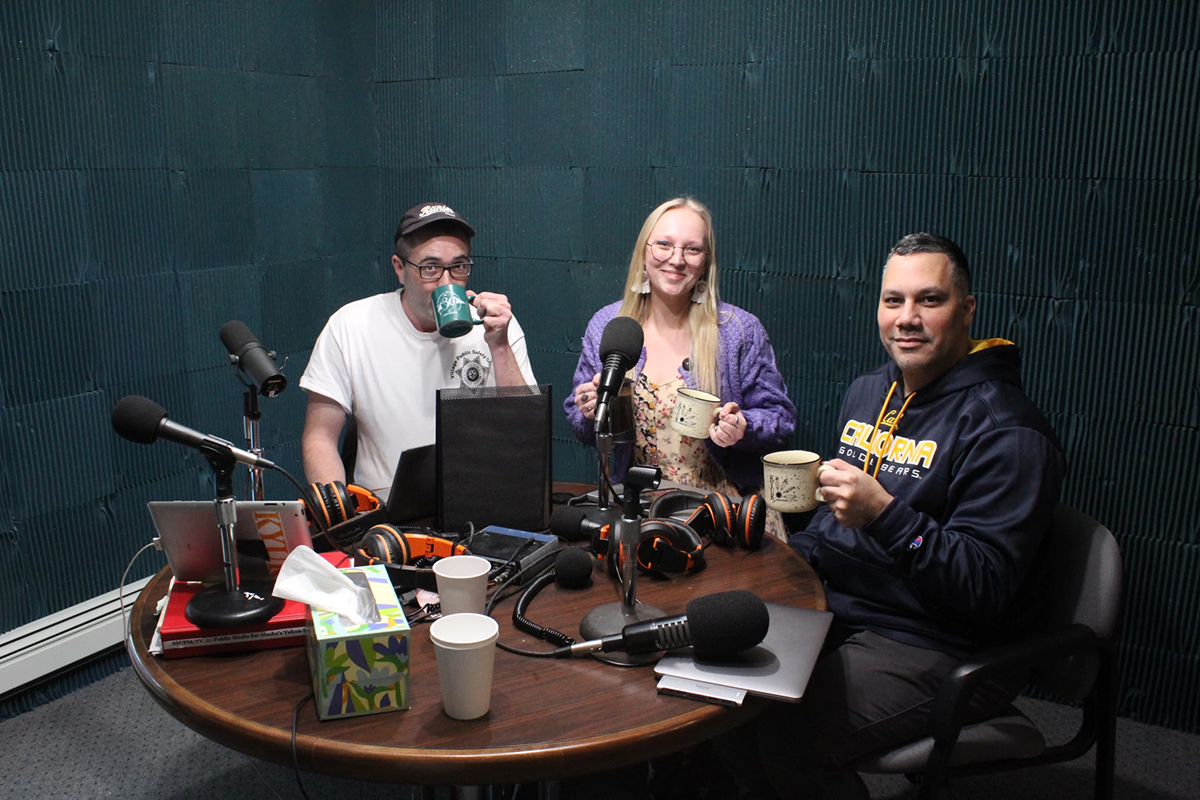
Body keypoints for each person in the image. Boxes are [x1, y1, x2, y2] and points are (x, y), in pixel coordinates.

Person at [723, 232, 1067, 799]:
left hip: (940, 642)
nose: (907, 318)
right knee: (726, 701)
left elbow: (983, 587)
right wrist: (769, 568)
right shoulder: (868, 393)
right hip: (843, 612)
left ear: (967, 309)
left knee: (792, 737)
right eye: (893, 300)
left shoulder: (1008, 431)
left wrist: (883, 513)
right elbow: (834, 532)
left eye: (929, 300)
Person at [564, 197, 795, 533]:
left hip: (723, 509)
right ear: (644, 252)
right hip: (637, 506)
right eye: (664, 245)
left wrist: (743, 427)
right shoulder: (608, 325)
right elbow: (581, 426)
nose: (676, 259)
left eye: (692, 250)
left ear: (706, 263)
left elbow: (781, 420)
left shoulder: (738, 331)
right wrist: (588, 410)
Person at [300, 202, 536, 499]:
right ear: (399, 268)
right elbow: (319, 436)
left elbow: (526, 431)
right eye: (430, 268)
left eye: (459, 267)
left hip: (480, 502)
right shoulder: (350, 325)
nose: (446, 282)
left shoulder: (495, 325)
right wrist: (337, 514)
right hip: (385, 517)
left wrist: (499, 345)